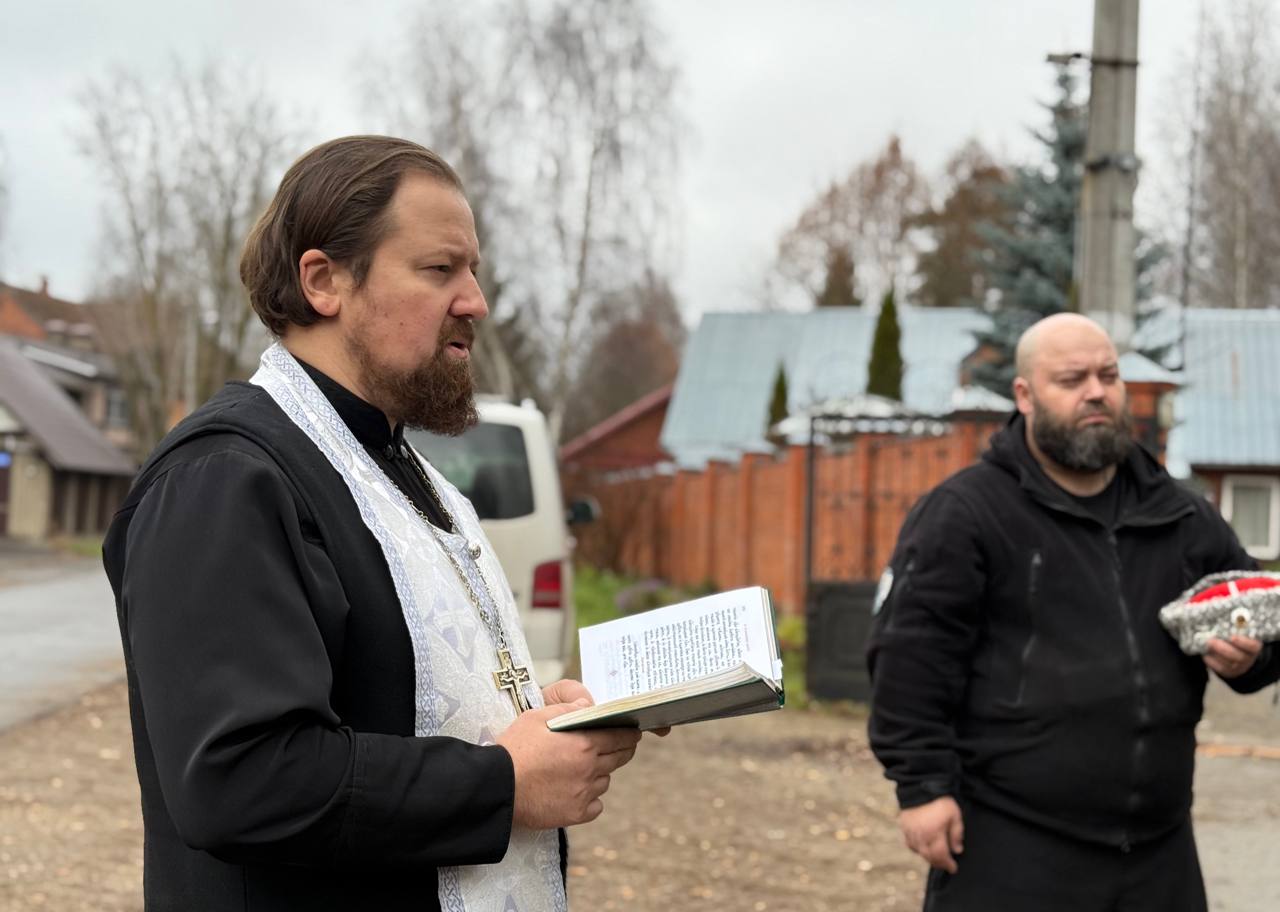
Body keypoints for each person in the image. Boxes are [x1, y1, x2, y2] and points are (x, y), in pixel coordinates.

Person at [103, 135, 646, 912]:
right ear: (324, 281)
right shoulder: (224, 479)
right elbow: (242, 779)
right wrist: (502, 782)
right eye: (439, 269)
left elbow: (399, 700)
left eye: (474, 271)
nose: (475, 302)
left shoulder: (406, 474)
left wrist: (534, 725)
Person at [866, 312, 1280, 911]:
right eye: (1071, 379)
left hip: (1158, 854)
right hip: (1012, 845)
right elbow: (910, 658)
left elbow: (1261, 616)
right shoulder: (966, 514)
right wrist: (923, 787)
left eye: (1108, 376)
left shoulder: (1180, 516)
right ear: (1025, 395)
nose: (1096, 392)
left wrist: (1252, 659)